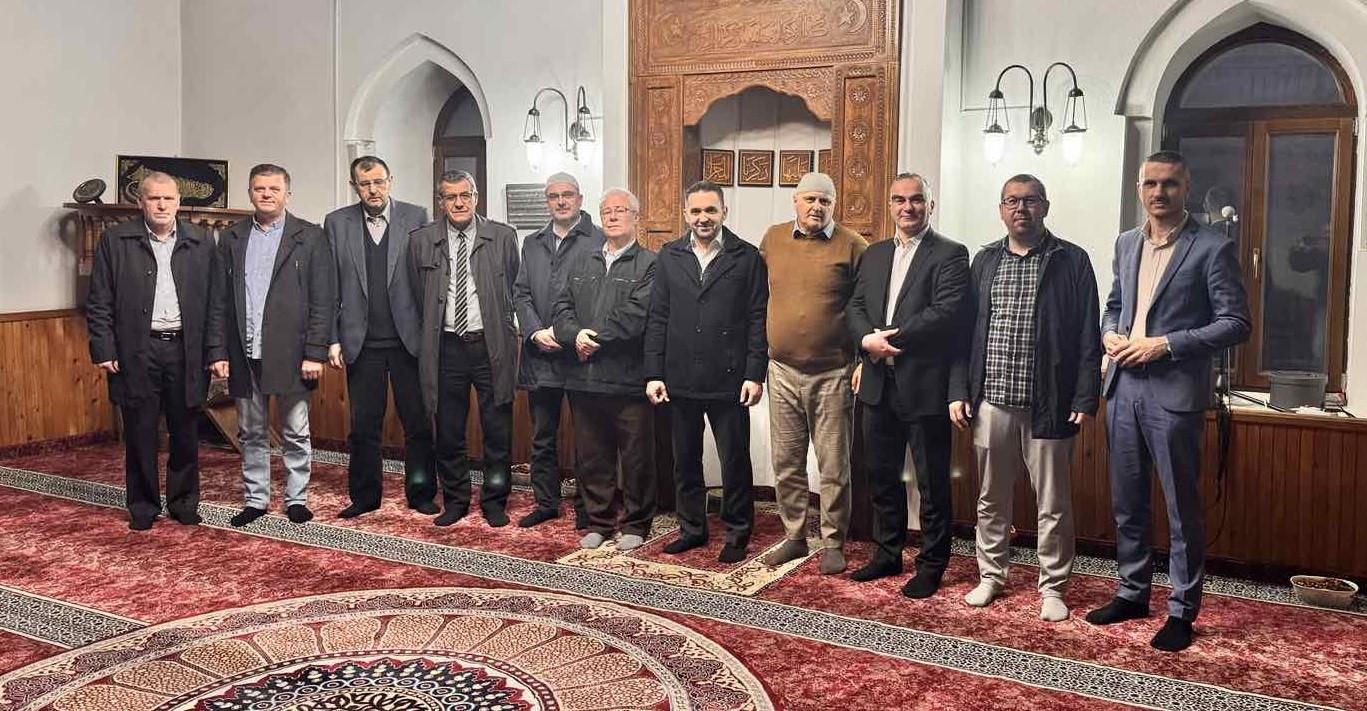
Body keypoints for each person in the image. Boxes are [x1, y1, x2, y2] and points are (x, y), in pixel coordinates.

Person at [1087, 150, 1251, 652]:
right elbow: (1115, 304)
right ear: (1140, 189)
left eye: (1170, 184)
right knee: (1128, 501)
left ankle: (1182, 610)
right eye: (1151, 184)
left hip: (1174, 391)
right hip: (1123, 388)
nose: (1159, 192)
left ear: (1186, 188)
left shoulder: (1213, 247)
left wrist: (1166, 344)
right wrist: (1109, 334)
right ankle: (1132, 592)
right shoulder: (1126, 242)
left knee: (1181, 507)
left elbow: (1235, 323)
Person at [948, 174, 1101, 620]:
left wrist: (1085, 396)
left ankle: (1053, 587)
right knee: (991, 498)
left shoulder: (1071, 260)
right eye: (1012, 201)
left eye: (1030, 200)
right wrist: (959, 389)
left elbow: (1087, 333)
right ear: (1001, 209)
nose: (1021, 208)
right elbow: (964, 334)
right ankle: (990, 576)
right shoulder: (984, 261)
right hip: (991, 400)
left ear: (1045, 207)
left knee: (1053, 503)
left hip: (1049, 403)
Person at [846, 173, 969, 598]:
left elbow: (946, 312)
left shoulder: (951, 254)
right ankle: (887, 553)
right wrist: (866, 340)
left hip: (924, 385)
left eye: (916, 199)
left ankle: (932, 565)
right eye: (899, 199)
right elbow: (855, 306)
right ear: (890, 205)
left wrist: (887, 339)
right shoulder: (875, 253)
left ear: (930, 205)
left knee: (932, 483)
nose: (908, 207)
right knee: (881, 476)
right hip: (877, 383)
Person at [644, 180, 767, 563]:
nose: (703, 218)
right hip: (679, 377)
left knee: (734, 461)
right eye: (696, 211)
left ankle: (738, 532)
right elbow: (658, 317)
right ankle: (692, 529)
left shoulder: (747, 257)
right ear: (686, 214)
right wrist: (654, 373)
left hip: (729, 378)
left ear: (724, 212)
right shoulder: (669, 256)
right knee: (685, 460)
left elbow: (758, 318)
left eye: (711, 210)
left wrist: (755, 373)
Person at [208, 164, 336, 528]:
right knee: (251, 432)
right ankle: (256, 499)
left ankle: (296, 499)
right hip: (244, 351)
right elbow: (218, 300)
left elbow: (322, 299)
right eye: (259, 188)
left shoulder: (310, 236)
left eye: (273, 189)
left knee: (295, 430)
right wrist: (217, 351)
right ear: (250, 193)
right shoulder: (231, 238)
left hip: (293, 353)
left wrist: (315, 352)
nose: (266, 194)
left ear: (287, 195)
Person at [86, 172, 216, 530]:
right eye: (154, 198)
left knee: (185, 431)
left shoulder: (201, 241)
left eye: (168, 198)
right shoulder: (116, 240)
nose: (161, 205)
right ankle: (143, 506)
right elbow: (99, 299)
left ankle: (183, 502)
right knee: (140, 432)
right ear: (140, 202)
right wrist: (104, 348)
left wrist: (214, 350)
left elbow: (216, 302)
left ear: (178, 202)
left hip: (186, 350)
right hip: (136, 350)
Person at [759, 172, 868, 575]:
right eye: (810, 199)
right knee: (786, 461)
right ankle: (794, 536)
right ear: (795, 201)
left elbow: (866, 307)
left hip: (834, 373)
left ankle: (833, 542)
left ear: (834, 204)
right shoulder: (772, 239)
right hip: (781, 370)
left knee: (834, 466)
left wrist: (861, 361)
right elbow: (758, 298)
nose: (816, 207)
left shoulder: (854, 245)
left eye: (825, 201)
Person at [407, 170, 520, 528]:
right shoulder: (421, 240)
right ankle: (455, 500)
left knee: (497, 429)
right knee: (449, 430)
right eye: (451, 196)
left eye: (465, 195)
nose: (459, 203)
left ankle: (495, 500)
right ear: (440, 201)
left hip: (490, 345)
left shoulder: (502, 236)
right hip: (446, 347)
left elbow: (513, 287)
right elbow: (417, 294)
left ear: (476, 197)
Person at [324, 155, 435, 518]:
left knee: (418, 424)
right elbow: (329, 287)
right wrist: (332, 338)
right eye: (365, 183)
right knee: (363, 427)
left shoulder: (416, 217)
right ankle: (364, 497)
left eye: (379, 181)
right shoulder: (337, 223)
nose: (373, 189)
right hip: (361, 343)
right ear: (354, 186)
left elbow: (429, 280)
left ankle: (421, 494)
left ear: (390, 180)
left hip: (409, 342)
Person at [552, 188, 657, 551]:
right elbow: (561, 308)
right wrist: (575, 335)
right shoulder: (582, 261)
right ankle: (599, 522)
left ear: (636, 217)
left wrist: (594, 338)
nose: (612, 216)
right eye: (607, 211)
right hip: (584, 378)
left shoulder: (650, 264)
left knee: (636, 457)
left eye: (621, 210)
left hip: (628, 379)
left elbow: (637, 314)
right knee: (592, 457)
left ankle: (636, 523)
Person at [513, 172, 602, 529]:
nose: (561, 201)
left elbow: (600, 297)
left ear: (580, 198)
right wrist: (534, 331)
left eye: (567, 195)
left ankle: (588, 508)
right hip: (540, 355)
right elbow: (521, 293)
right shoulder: (532, 243)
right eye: (554, 196)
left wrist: (572, 334)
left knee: (588, 437)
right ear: (546, 202)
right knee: (542, 437)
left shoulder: (598, 239)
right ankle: (546, 502)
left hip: (582, 356)